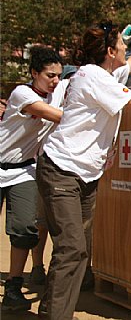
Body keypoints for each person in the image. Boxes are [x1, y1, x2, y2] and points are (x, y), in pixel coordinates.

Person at [36, 20, 131, 320]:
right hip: (61, 171)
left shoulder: (104, 73)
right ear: (108, 51)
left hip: (85, 176)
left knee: (78, 252)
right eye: (121, 43)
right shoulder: (93, 76)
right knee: (72, 249)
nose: (125, 46)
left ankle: (55, 311)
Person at [0, 46, 68, 311]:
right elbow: (56, 115)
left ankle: (14, 287)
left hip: (24, 170)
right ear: (34, 73)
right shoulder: (23, 94)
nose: (55, 81)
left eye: (58, 75)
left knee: (25, 230)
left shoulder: (56, 91)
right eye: (50, 75)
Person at [28, 65, 78, 288]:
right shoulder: (47, 102)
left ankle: (69, 274)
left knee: (68, 227)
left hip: (71, 169)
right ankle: (37, 267)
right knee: (41, 223)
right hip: (45, 165)